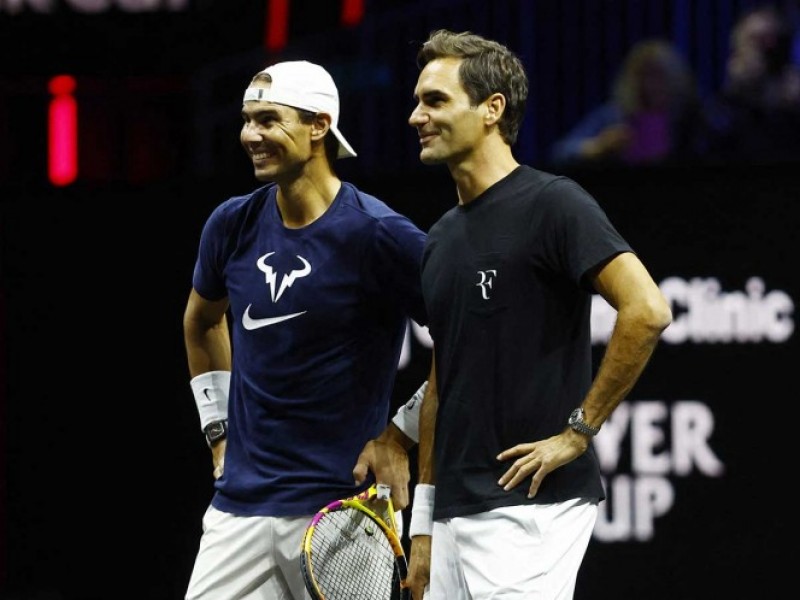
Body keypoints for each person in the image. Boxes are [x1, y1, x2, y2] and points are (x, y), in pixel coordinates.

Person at [404, 30, 673, 600]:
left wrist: (578, 433)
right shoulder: (439, 239)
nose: (416, 117)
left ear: (491, 109)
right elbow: (441, 383)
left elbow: (647, 309)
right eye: (417, 101)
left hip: (531, 509)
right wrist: (423, 524)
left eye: (435, 101)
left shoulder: (554, 203)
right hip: (451, 514)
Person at [183, 59, 430, 599]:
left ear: (319, 126)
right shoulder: (231, 223)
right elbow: (201, 321)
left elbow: (468, 341)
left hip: (346, 512)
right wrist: (217, 429)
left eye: (268, 120)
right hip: (238, 510)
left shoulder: (382, 235)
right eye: (247, 120)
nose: (251, 135)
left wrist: (399, 435)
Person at [549, 37, 708, 168]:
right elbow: (560, 152)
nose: (650, 85)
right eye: (642, 75)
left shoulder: (690, 119)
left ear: (675, 79)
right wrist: (597, 147)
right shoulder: (614, 114)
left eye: (658, 75)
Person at [705, 3, 800, 162]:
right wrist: (737, 91)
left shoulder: (793, 98)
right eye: (756, 40)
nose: (765, 49)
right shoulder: (725, 105)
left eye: (771, 39)